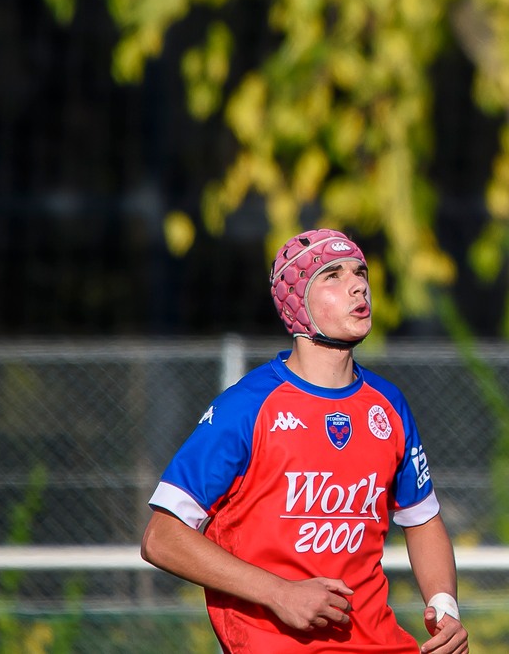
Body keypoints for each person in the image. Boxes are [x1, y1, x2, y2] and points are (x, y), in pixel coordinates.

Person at [141, 231, 466, 654]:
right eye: (333, 275)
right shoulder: (247, 407)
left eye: (360, 272)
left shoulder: (388, 405)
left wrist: (444, 605)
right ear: (296, 302)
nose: (358, 285)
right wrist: (279, 593)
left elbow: (422, 519)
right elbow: (160, 538)